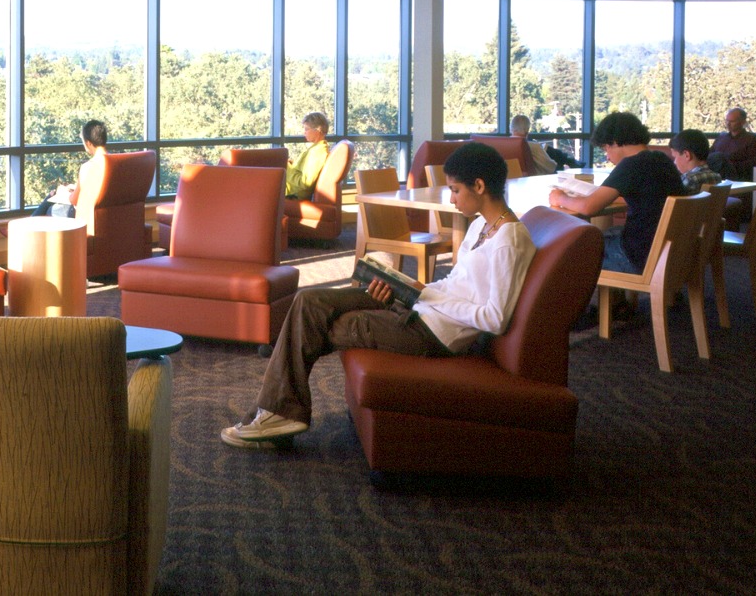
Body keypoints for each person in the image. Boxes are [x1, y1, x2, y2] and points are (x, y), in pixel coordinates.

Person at [222, 142, 535, 447]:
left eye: (455, 190)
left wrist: (426, 296)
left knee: (318, 326)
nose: (452, 199)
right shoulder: (480, 226)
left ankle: (277, 413)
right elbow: (457, 283)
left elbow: (495, 318)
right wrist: (412, 288)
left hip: (433, 334)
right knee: (310, 301)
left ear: (478, 185)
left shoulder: (509, 240)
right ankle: (278, 412)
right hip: (423, 307)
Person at [548, 111, 682, 275]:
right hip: (669, 251)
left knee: (570, 248)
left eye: (606, 148)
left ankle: (575, 300)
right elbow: (649, 199)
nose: (607, 156)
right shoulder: (661, 160)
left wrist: (561, 197)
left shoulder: (631, 165)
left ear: (616, 142)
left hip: (637, 257)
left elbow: (589, 207)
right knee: (607, 234)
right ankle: (617, 301)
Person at [31, 119, 107, 218]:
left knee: (50, 206)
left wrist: (65, 194)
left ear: (88, 143)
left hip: (86, 215)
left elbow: (74, 200)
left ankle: (25, 227)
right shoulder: (118, 163)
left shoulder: (88, 167)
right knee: (51, 198)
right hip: (105, 214)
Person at [710, 107, 756, 181]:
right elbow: (710, 155)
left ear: (742, 122)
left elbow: (755, 162)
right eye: (727, 121)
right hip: (714, 172)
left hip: (736, 175)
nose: (728, 124)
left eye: (732, 121)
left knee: (719, 157)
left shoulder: (751, 139)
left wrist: (729, 164)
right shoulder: (722, 137)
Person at [284, 112, 330, 200]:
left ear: (318, 129)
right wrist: (291, 165)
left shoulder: (318, 153)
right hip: (288, 188)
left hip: (291, 194)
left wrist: (287, 167)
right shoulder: (315, 149)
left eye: (306, 129)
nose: (304, 132)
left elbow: (305, 183)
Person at [669, 129, 723, 195]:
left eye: (675, 157)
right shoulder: (717, 177)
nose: (674, 162)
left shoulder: (688, 181)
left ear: (687, 155)